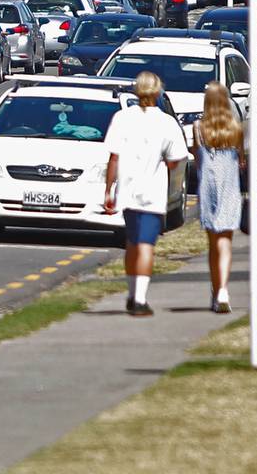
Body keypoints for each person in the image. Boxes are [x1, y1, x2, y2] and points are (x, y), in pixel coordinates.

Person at [102, 71, 189, 316]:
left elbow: (114, 157)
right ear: (158, 92)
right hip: (152, 192)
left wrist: (108, 190)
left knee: (132, 243)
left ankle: (132, 293)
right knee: (146, 245)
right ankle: (139, 298)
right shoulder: (166, 123)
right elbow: (177, 159)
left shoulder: (122, 118)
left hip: (128, 191)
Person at [195, 81, 245, 314]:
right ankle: (223, 290)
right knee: (225, 242)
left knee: (213, 243)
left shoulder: (198, 128)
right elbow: (241, 161)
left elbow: (197, 159)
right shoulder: (236, 128)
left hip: (208, 186)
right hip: (229, 187)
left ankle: (216, 291)